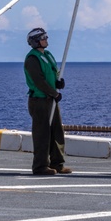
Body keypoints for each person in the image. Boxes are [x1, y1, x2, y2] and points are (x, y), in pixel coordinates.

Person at [24, 27, 71, 176]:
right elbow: (39, 81)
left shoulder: (48, 55)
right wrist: (53, 93)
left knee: (57, 131)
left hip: (50, 99)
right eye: (43, 37)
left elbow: (52, 72)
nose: (46, 39)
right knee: (42, 134)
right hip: (39, 100)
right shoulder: (32, 58)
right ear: (36, 41)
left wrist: (58, 83)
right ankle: (40, 166)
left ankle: (57, 163)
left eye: (45, 37)